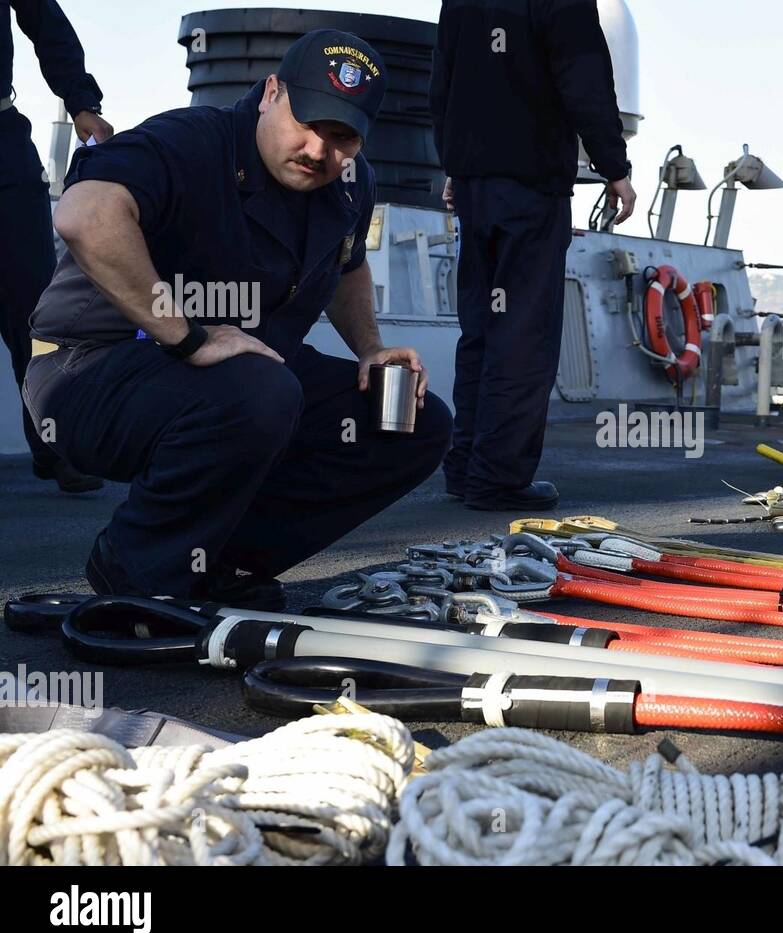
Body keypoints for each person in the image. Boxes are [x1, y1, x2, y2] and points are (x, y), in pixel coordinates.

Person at [23, 29, 451, 609]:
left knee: (410, 421)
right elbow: (85, 214)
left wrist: (371, 349)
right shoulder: (189, 140)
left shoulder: (349, 183)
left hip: (238, 372)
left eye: (342, 137)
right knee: (259, 390)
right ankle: (136, 573)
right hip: (92, 368)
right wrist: (187, 335)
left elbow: (348, 261)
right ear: (272, 92)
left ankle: (216, 561)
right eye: (307, 123)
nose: (319, 152)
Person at [429, 0, 635, 511]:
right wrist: (615, 167)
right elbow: (583, 79)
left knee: (480, 328)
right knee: (524, 332)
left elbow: (444, 81)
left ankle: (466, 468)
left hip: (475, 184)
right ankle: (496, 478)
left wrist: (456, 164)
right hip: (530, 186)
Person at [2, 0, 111, 492]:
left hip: (3, 146)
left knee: (37, 311)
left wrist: (81, 102)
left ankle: (52, 445)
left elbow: (47, 24)